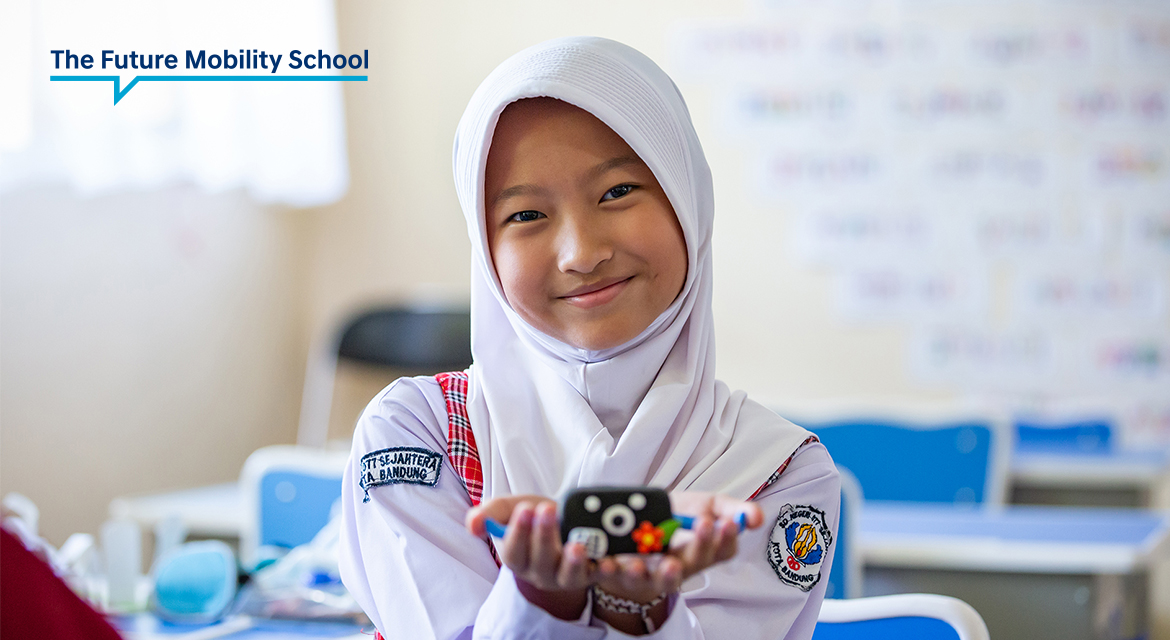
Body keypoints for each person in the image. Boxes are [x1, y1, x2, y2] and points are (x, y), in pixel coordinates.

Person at [338, 36, 840, 639]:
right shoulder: (420, 433)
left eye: (617, 192)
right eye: (526, 216)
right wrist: (542, 598)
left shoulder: (776, 472)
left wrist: (641, 610)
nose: (581, 254)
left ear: (689, 201)